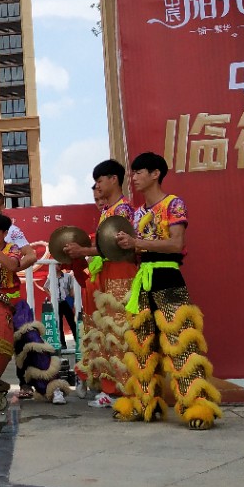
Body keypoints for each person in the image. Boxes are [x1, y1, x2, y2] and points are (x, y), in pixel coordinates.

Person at [112, 152, 221, 430]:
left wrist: (136, 242)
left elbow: (175, 244)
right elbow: (136, 249)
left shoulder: (173, 204)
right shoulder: (136, 214)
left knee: (182, 344)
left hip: (167, 275)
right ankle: (144, 404)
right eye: (133, 173)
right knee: (141, 347)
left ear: (155, 174)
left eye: (138, 173)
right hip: (143, 279)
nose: (133, 178)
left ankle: (198, 406)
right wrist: (121, 245)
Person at [0, 212, 71, 404]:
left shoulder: (12, 248)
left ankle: (51, 386)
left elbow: (13, 266)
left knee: (31, 340)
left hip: (14, 305)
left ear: (5, 233)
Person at [64, 159, 136, 409]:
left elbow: (114, 247)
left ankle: (125, 390)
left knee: (120, 334)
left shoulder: (124, 210)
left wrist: (83, 249)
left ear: (113, 179)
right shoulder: (109, 211)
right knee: (107, 335)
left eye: (100, 181)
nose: (97, 186)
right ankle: (110, 388)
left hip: (122, 277)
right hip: (107, 277)